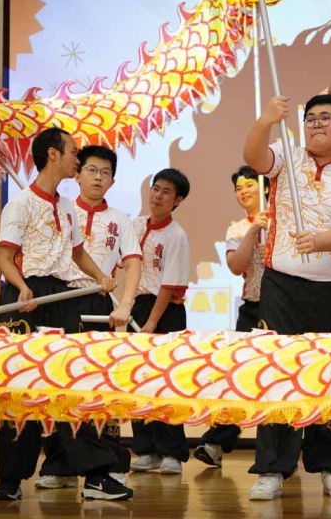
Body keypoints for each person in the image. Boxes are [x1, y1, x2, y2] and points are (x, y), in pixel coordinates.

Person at [243, 92, 331, 501]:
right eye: (310, 118)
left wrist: (318, 241)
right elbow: (253, 156)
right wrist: (266, 119)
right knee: (276, 373)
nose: (317, 124)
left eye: (326, 117)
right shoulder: (286, 156)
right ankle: (272, 469)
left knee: (328, 376)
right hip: (281, 285)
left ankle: (330, 466)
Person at [0, 128, 132, 501]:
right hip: (23, 297)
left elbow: (77, 253)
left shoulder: (67, 207)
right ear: (53, 154)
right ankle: (9, 479)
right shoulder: (19, 204)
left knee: (71, 386)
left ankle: (96, 475)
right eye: (73, 151)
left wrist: (100, 277)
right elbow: (4, 258)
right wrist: (22, 287)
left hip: (61, 296)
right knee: (19, 389)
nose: (78, 158)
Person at [35, 144, 142, 491]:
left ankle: (107, 466)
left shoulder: (121, 220)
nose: (98, 178)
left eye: (105, 173)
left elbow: (133, 264)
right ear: (77, 175)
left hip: (100, 306)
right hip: (60, 301)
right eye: (92, 170)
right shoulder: (60, 211)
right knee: (58, 384)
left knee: (99, 387)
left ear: (112, 182)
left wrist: (125, 306)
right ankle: (59, 464)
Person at [194, 166, 270, 469]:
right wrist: (252, 230)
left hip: (284, 307)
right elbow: (237, 267)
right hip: (252, 308)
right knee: (237, 374)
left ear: (265, 187)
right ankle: (216, 441)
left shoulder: (284, 219)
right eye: (238, 188)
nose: (243, 191)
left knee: (275, 377)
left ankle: (276, 455)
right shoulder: (236, 229)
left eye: (250, 185)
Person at [129, 168, 192, 476]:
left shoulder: (176, 235)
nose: (158, 195)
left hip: (165, 311)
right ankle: (146, 449)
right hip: (137, 307)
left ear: (177, 200)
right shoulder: (135, 225)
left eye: (166, 192)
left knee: (166, 380)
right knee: (139, 380)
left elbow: (168, 284)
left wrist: (153, 322)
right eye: (156, 188)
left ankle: (171, 453)